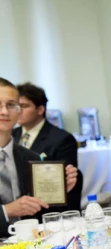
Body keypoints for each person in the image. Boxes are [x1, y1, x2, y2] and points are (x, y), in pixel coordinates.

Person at [0, 78, 78, 236]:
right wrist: (6, 211)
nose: (4, 111)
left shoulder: (29, 157)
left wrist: (59, 191)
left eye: (10, 105)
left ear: (18, 110)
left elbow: (41, 212)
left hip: (28, 246)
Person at [11, 82, 83, 212]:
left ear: (40, 109)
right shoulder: (11, 135)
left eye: (24, 106)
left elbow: (62, 184)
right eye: (16, 106)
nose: (19, 111)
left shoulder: (61, 139)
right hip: (16, 206)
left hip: (47, 209)